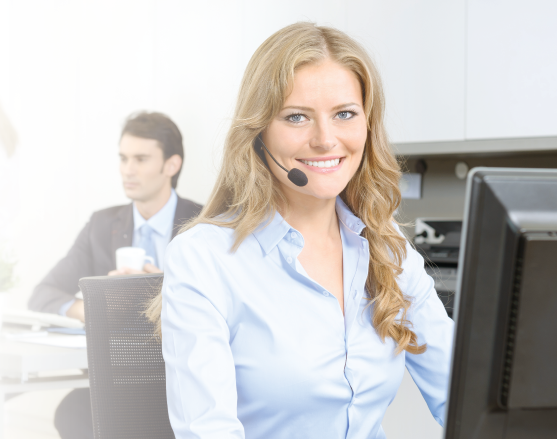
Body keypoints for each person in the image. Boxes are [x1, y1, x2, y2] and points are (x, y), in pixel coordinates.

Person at [149, 23, 454, 439]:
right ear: (259, 134)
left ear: (367, 125)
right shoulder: (205, 258)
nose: (326, 140)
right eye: (297, 117)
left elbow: (465, 392)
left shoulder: (387, 250)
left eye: (344, 114)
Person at [28, 111, 202, 439]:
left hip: (181, 381)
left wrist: (168, 289)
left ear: (171, 165)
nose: (128, 170)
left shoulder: (205, 224)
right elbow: (43, 294)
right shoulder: (101, 225)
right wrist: (100, 309)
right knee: (72, 412)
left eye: (140, 159)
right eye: (123, 158)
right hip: (119, 379)